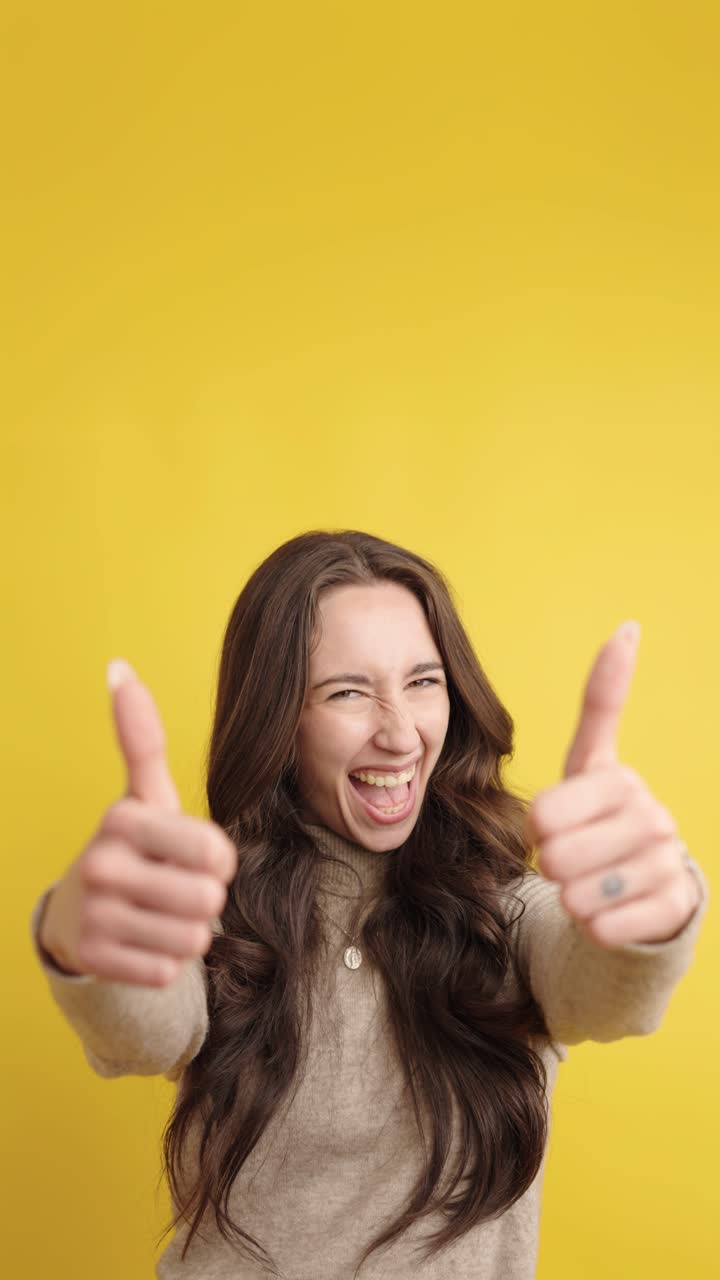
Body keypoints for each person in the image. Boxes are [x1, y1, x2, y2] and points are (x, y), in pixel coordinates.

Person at [30, 529, 708, 1280]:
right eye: (348, 692)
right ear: (277, 720)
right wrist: (77, 936)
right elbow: (144, 1030)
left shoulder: (504, 913)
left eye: (423, 681)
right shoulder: (215, 910)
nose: (400, 733)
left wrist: (653, 913)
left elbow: (605, 989)